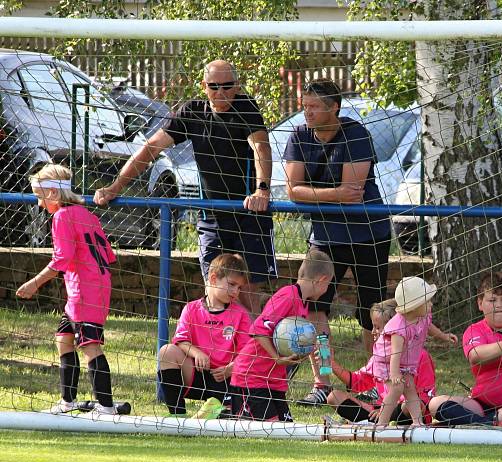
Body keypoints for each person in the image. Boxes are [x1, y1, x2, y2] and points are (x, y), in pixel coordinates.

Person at [93, 60, 275, 316]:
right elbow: (151, 148)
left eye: (227, 86)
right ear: (204, 86)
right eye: (214, 87)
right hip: (212, 215)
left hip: (249, 214)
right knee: (215, 291)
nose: (221, 93)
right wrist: (115, 186)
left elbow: (260, 148)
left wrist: (262, 190)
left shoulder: (246, 108)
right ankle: (216, 352)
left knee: (245, 294)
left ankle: (253, 350)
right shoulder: (193, 111)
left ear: (237, 86)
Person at [283, 78, 392, 406]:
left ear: (335, 108)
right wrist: (331, 195)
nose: (308, 112)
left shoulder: (356, 133)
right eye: (305, 105)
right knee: (314, 306)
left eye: (315, 106)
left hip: (368, 234)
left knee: (371, 312)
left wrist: (315, 194)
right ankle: (322, 380)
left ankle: (376, 382)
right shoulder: (299, 136)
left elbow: (353, 192)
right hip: (325, 238)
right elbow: (293, 190)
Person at [16, 164, 119, 415]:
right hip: (92, 287)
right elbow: (109, 255)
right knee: (64, 339)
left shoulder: (62, 216)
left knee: (89, 345)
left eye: (40, 197)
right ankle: (67, 401)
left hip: (85, 291)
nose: (40, 204)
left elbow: (62, 259)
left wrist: (34, 283)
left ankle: (106, 407)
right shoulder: (86, 214)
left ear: (52, 193)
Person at [229, 249, 334, 421]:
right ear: (322, 280)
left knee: (286, 428)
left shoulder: (303, 302)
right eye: (328, 284)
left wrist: (312, 347)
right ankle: (224, 411)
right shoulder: (288, 296)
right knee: (268, 431)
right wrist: (277, 358)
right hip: (251, 378)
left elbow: (289, 339)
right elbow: (258, 329)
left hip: (273, 381)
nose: (327, 289)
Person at [156, 253, 252, 417]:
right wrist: (197, 353)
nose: (236, 291)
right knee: (167, 351)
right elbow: (180, 341)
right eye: (232, 284)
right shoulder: (191, 309)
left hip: (226, 378)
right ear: (214, 279)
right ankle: (178, 416)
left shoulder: (240, 314)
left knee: (234, 405)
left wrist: (232, 368)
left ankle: (222, 409)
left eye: (239, 287)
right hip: (198, 375)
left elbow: (248, 352)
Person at [427, 271, 502, 427]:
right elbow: (475, 355)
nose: (499, 305)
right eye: (492, 300)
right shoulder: (474, 330)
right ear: (480, 304)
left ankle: (481, 423)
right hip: (480, 405)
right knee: (435, 403)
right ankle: (487, 423)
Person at [324, 299, 437, 425]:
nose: (372, 332)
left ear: (393, 330)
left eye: (377, 328)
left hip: (407, 412)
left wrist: (387, 410)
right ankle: (374, 422)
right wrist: (331, 364)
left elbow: (425, 399)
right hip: (381, 410)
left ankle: (379, 421)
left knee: (408, 404)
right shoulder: (379, 357)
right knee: (334, 396)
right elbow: (356, 382)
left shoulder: (420, 356)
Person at [369, 277, 456, 427]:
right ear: (414, 306)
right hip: (387, 361)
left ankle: (417, 422)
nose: (431, 304)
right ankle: (381, 423)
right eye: (427, 301)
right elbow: (395, 353)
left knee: (410, 388)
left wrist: (443, 336)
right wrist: (395, 373)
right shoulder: (399, 327)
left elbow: (429, 327)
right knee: (397, 389)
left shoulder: (422, 316)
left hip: (406, 360)